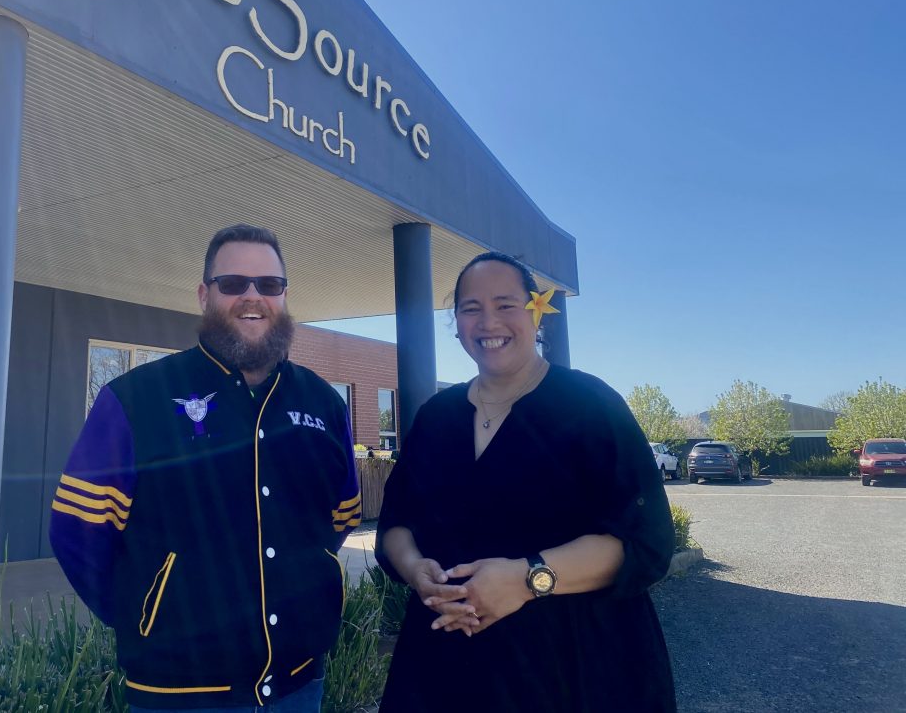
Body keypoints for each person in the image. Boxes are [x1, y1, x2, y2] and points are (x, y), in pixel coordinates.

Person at [50, 224, 361, 713]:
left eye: (269, 284)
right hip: (177, 694)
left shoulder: (323, 401)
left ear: (284, 296)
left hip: (300, 686)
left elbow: (340, 520)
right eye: (233, 283)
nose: (252, 296)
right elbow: (78, 532)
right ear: (204, 295)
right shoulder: (136, 398)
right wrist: (149, 613)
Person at [375, 252, 676, 712]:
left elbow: (645, 541)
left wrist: (526, 578)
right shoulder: (436, 416)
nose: (487, 321)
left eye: (505, 304)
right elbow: (397, 521)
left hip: (572, 669)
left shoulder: (591, 405)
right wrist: (417, 571)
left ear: (537, 312)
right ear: (456, 322)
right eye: (470, 308)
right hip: (442, 668)